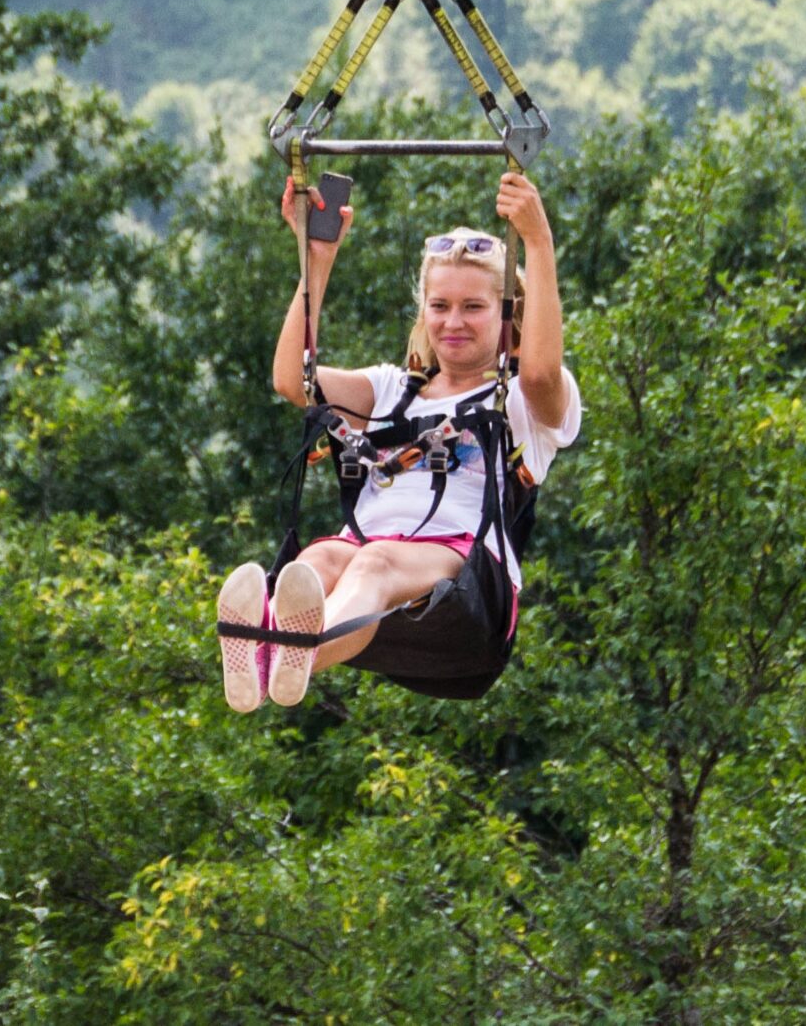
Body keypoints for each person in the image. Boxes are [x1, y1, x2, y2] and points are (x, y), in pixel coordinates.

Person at [218, 167, 580, 712]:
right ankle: (269, 654)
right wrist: (316, 260)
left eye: (473, 307)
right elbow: (294, 380)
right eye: (440, 306)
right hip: (367, 557)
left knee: (373, 562)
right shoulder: (392, 390)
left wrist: (537, 241)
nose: (453, 322)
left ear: (508, 314)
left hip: (465, 584)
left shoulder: (521, 402)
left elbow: (543, 375)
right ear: (424, 311)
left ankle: (288, 652)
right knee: (316, 563)